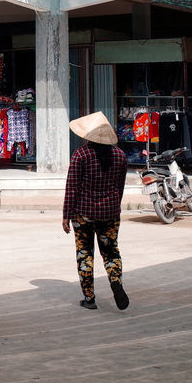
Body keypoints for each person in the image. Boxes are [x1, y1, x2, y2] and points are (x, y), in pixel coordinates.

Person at [62, 111, 130, 310]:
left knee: (85, 253)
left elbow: (72, 187)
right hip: (110, 214)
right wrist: (115, 207)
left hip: (83, 214)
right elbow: (120, 187)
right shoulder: (120, 156)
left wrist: (66, 215)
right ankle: (115, 281)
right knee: (111, 252)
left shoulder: (81, 155)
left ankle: (89, 298)